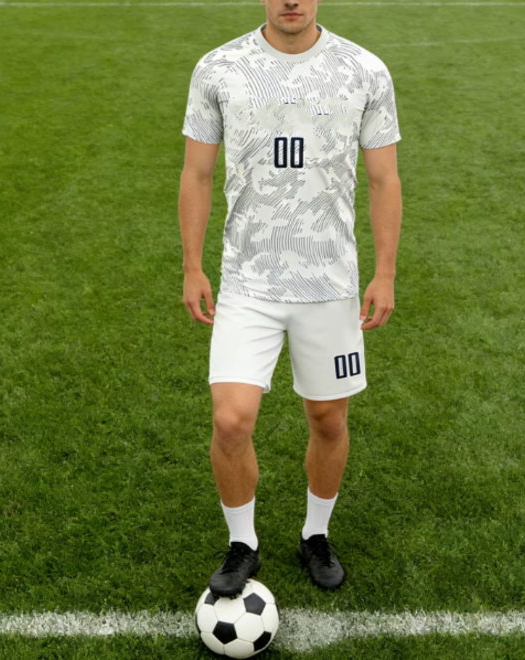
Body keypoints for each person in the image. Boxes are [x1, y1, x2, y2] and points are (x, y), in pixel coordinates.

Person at [179, 0, 402, 597]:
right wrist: (192, 265)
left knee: (328, 418)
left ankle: (315, 534)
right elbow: (197, 173)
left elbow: (384, 178)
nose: (291, 1)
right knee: (230, 420)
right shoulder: (219, 68)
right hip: (247, 281)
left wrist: (384, 273)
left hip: (329, 285)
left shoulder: (364, 70)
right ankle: (242, 543)